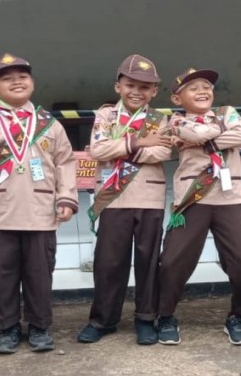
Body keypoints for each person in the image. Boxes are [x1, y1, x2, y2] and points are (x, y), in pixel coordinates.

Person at [0, 53, 78, 353]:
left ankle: (39, 327)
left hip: (41, 212)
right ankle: (6, 328)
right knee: (0, 274)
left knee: (39, 274)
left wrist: (66, 197)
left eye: (23, 77)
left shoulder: (49, 123)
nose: (17, 82)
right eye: (7, 79)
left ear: (32, 82)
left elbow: (65, 161)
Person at [155, 68, 241, 346]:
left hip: (229, 198)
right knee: (173, 261)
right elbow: (190, 132)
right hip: (192, 198)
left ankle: (239, 316)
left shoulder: (227, 112)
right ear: (177, 98)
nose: (202, 91)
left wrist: (202, 136)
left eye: (206, 86)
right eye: (193, 88)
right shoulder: (175, 120)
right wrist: (217, 131)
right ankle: (165, 315)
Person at [77, 54, 172, 345]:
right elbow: (98, 150)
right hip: (113, 198)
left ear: (154, 91)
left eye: (144, 87)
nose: (136, 92)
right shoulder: (106, 116)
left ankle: (146, 318)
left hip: (149, 197)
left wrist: (120, 147)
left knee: (148, 261)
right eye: (130, 85)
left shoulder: (160, 119)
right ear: (118, 86)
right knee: (109, 262)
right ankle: (103, 320)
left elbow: (163, 152)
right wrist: (141, 142)